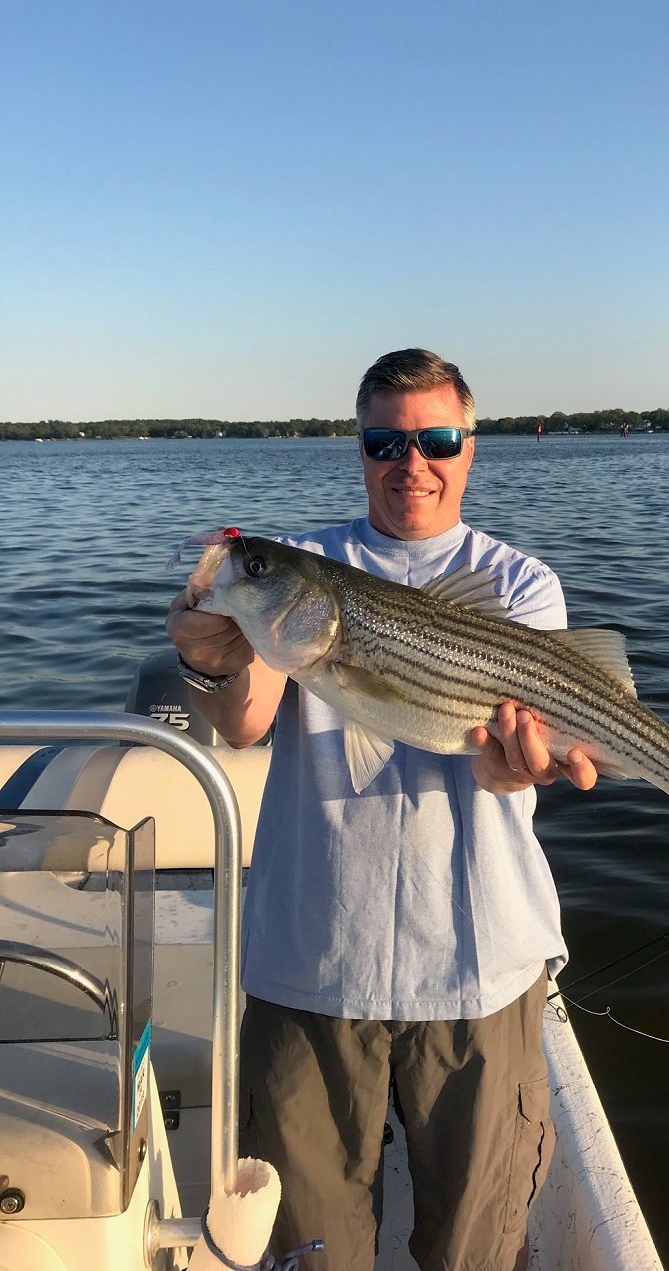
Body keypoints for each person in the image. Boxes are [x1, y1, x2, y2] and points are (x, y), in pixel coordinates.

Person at [165, 349, 598, 1271]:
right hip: (313, 960)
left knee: (474, 1251)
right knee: (310, 1249)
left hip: (479, 970)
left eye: (437, 438)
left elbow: (511, 770)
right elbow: (244, 720)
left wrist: (522, 767)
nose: (414, 461)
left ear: (470, 448)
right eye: (385, 440)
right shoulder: (308, 571)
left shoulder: (522, 586)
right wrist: (208, 657)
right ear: (359, 450)